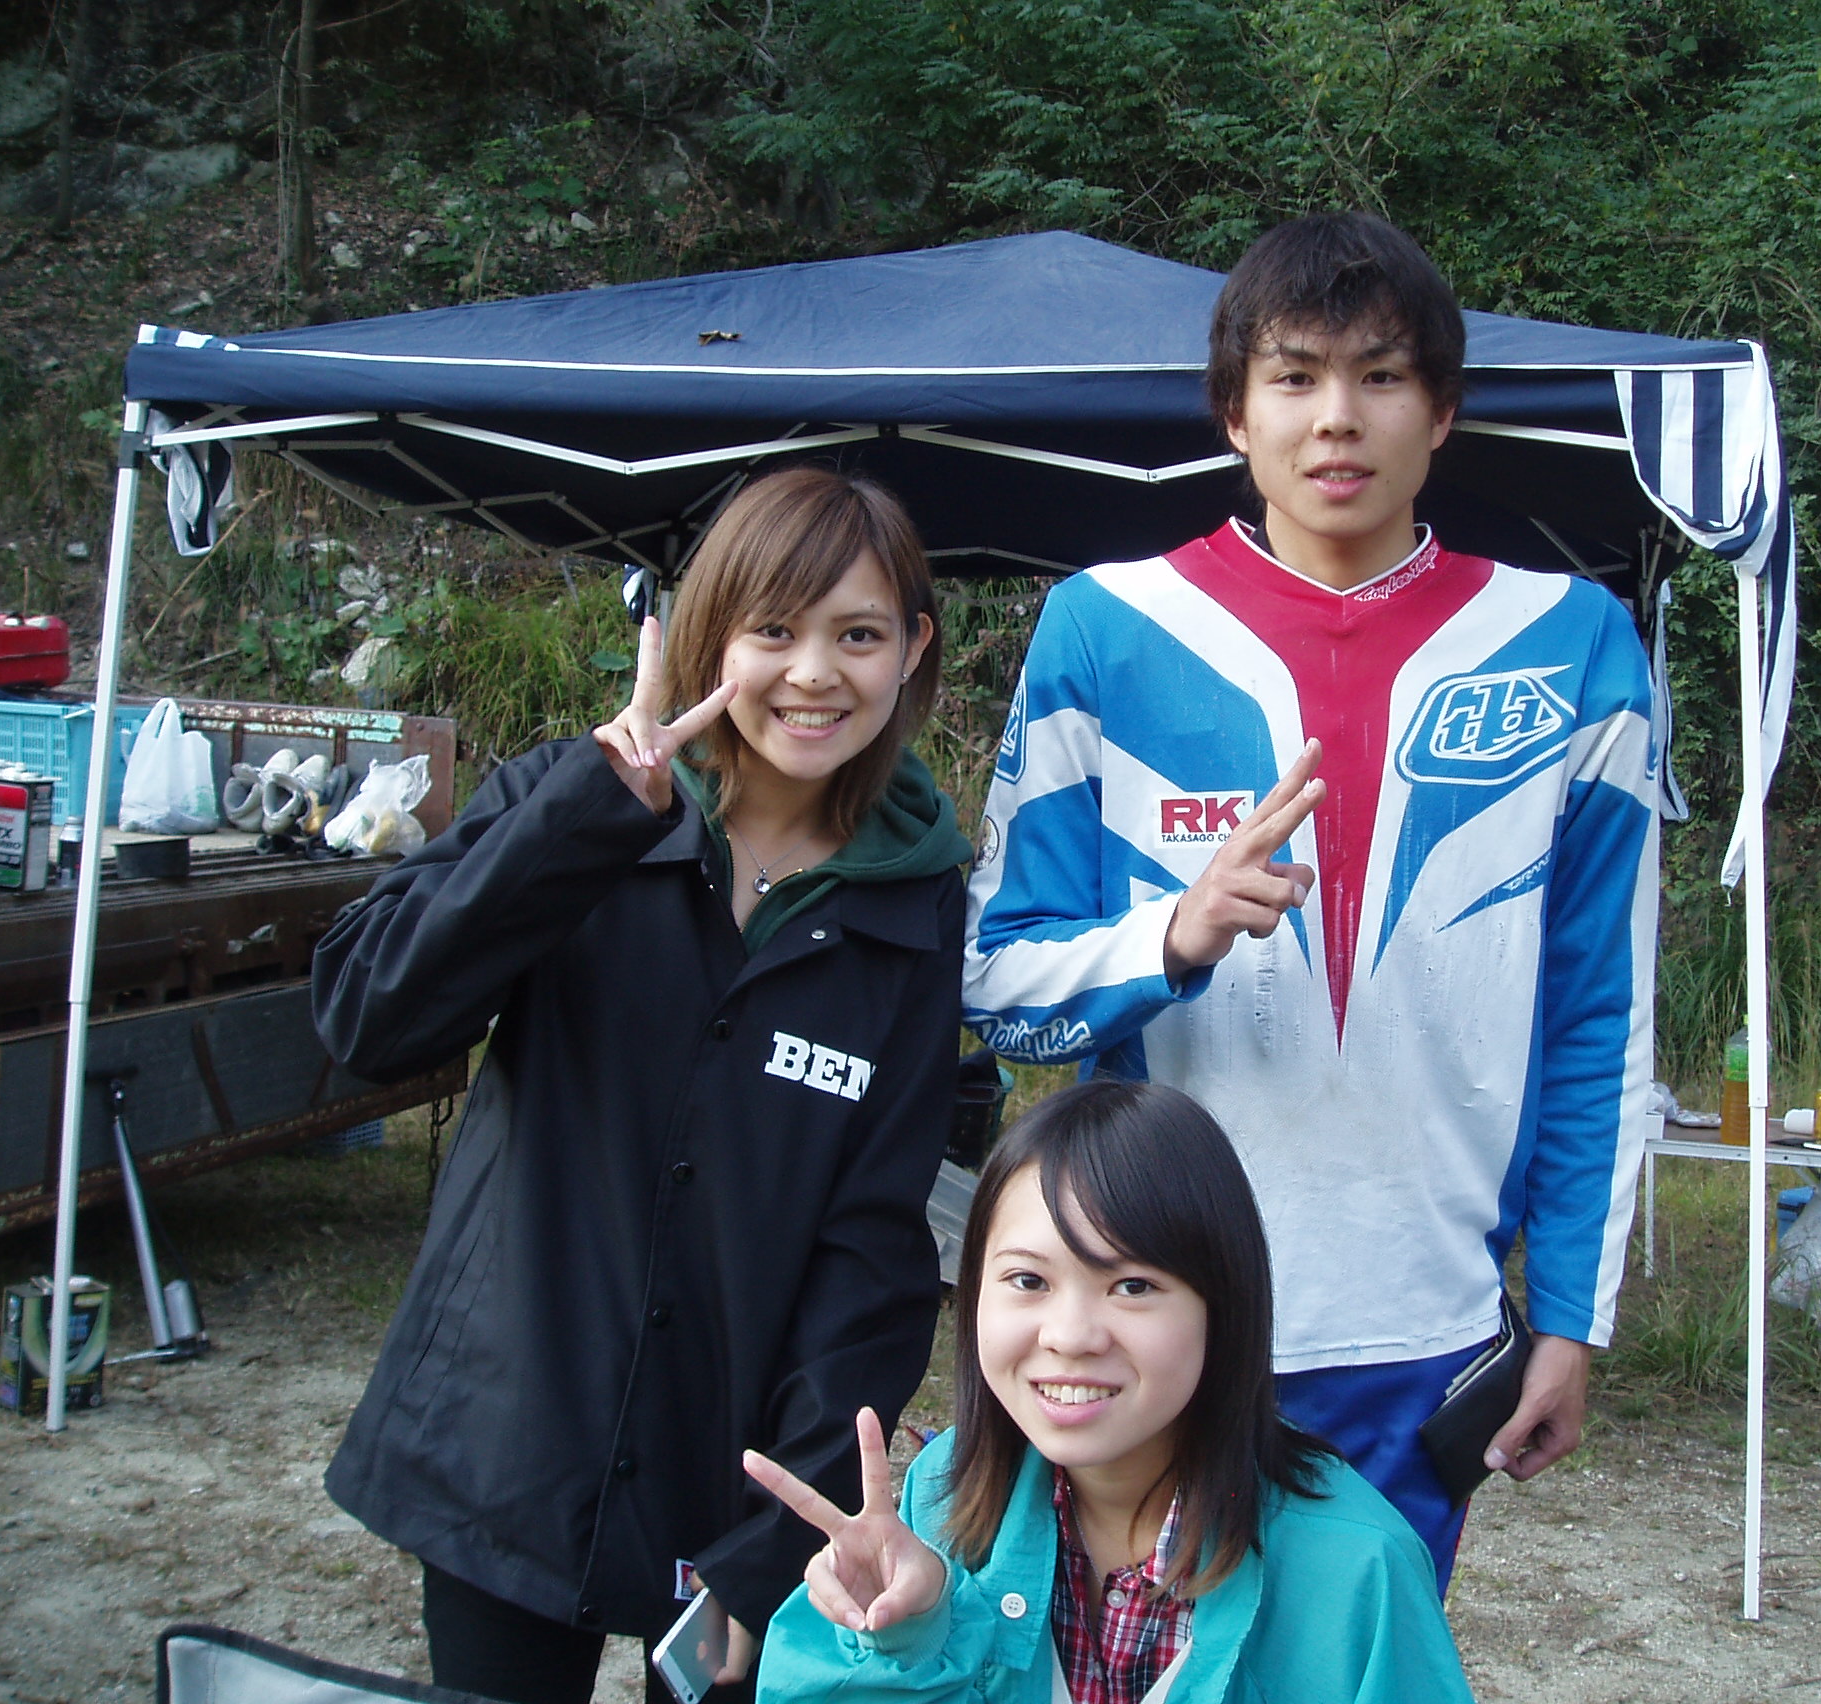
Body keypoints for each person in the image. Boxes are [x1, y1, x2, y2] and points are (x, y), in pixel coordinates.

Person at [961, 211, 1658, 1585]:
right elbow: (998, 988)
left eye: (1381, 375)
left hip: (1424, 1329)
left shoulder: (1572, 642)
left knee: (1357, 1668)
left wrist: (1572, 1317)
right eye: (1294, 376)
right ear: (1235, 411)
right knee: (1136, 1667)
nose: (1337, 417)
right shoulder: (1106, 627)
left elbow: (1599, 1017)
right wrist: (1170, 937)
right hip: (1147, 1318)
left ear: (1441, 411)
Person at [314, 466, 973, 1704]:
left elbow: (873, 1244)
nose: (813, 673)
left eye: (858, 635)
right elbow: (368, 1015)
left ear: (912, 651)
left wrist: (780, 1542)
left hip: (732, 1468)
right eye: (772, 629)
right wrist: (583, 820)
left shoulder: (916, 903)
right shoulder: (581, 805)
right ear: (712, 633)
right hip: (508, 1438)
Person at [744, 1079, 1477, 1704]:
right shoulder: (942, 1496)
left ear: (1224, 1306)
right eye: (1027, 1279)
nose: (1070, 1335)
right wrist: (909, 1637)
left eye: (1132, 1286)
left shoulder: (1358, 1571)